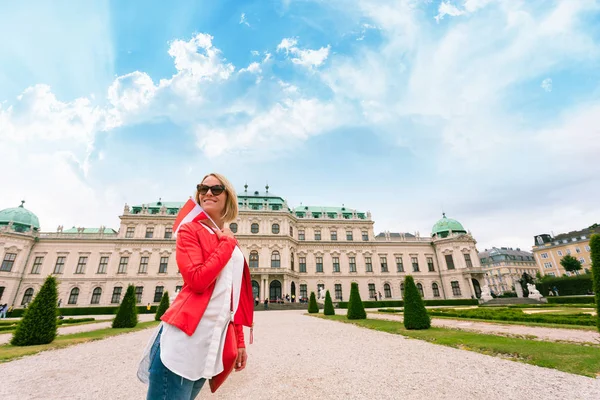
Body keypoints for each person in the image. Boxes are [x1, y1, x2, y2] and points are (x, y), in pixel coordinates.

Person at [138, 173, 254, 400]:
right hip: (183, 340)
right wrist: (228, 243)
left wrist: (239, 341)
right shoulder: (189, 230)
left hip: (210, 345)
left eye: (216, 189)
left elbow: (233, 295)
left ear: (228, 197)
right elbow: (197, 279)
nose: (208, 193)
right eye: (203, 188)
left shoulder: (227, 238)